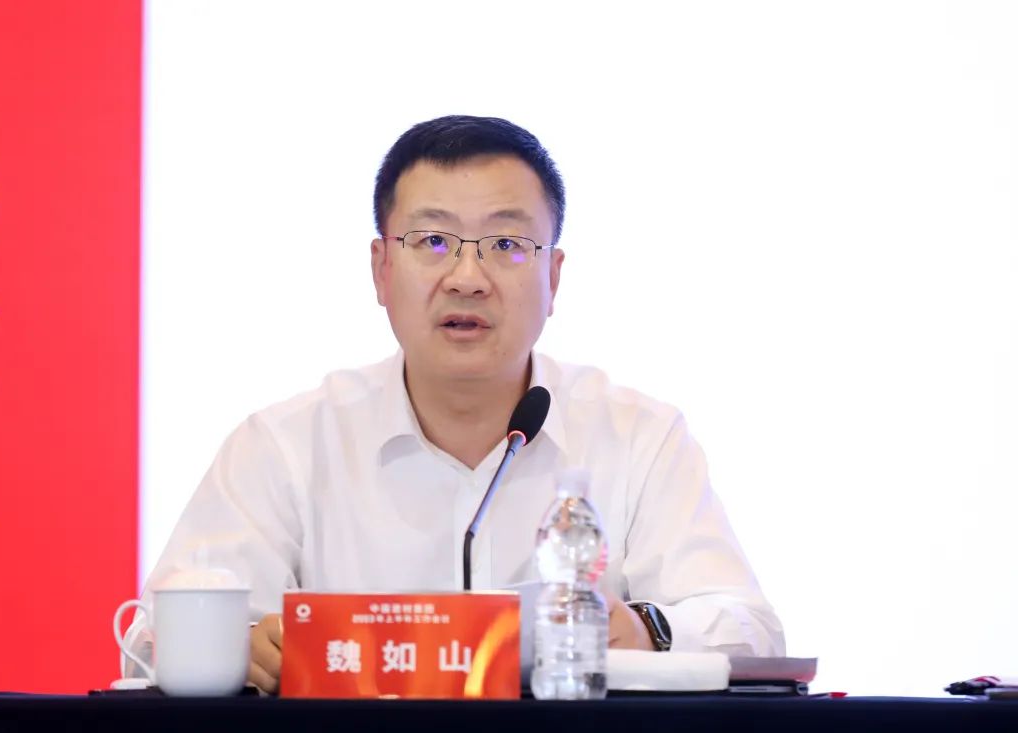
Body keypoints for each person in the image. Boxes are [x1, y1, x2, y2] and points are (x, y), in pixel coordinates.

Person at [122, 115, 785, 693]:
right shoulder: (285, 445)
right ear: (381, 269)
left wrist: (648, 628)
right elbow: (151, 638)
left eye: (506, 245)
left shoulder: (639, 436)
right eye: (432, 242)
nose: (467, 278)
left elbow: (750, 627)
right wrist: (243, 646)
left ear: (553, 277)